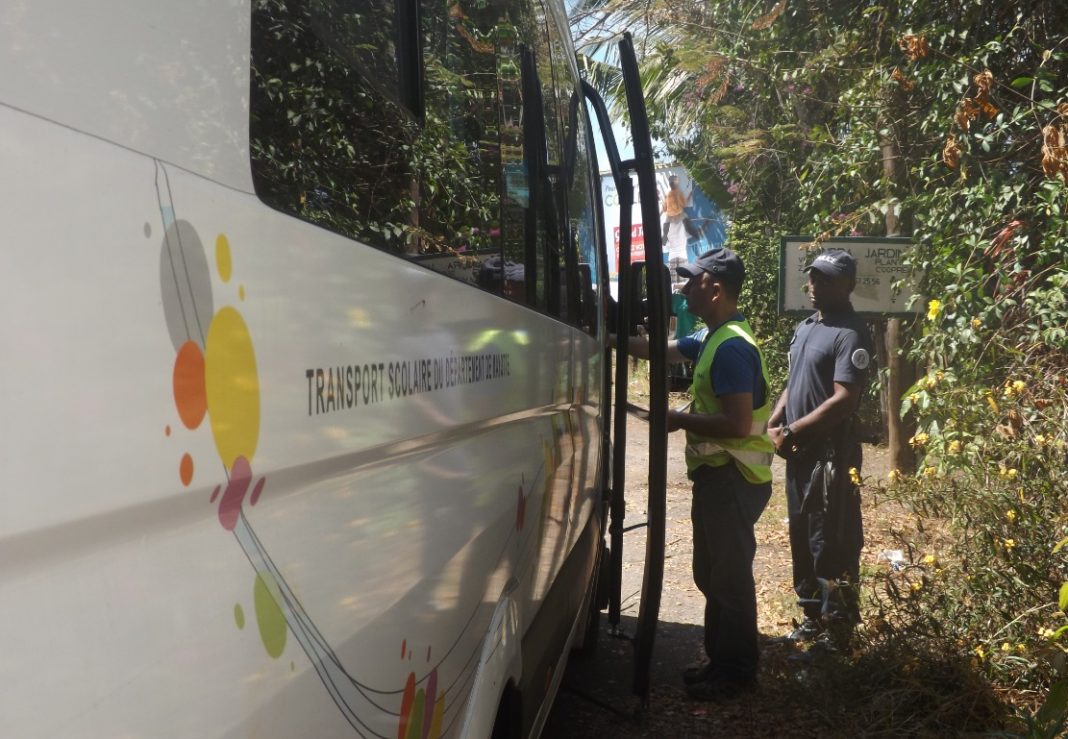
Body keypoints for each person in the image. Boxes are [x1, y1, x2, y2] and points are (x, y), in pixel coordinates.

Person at [619, 248, 773, 700]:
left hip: (733, 477)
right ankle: (720, 660)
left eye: (692, 281)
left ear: (716, 288)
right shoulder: (711, 337)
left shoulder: (731, 348)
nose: (684, 289)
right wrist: (607, 338)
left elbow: (738, 424)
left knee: (729, 578)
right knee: (710, 574)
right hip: (716, 475)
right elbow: (659, 351)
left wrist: (678, 419)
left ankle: (737, 673)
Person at [767, 249, 874, 650]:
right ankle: (812, 618)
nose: (815, 285)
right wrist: (776, 420)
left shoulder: (851, 333)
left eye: (826, 279)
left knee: (831, 539)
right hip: (799, 453)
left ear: (849, 285)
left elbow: (845, 399)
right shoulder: (807, 326)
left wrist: (794, 429)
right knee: (802, 534)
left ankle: (838, 630)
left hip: (831, 456)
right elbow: (794, 380)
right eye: (813, 277)